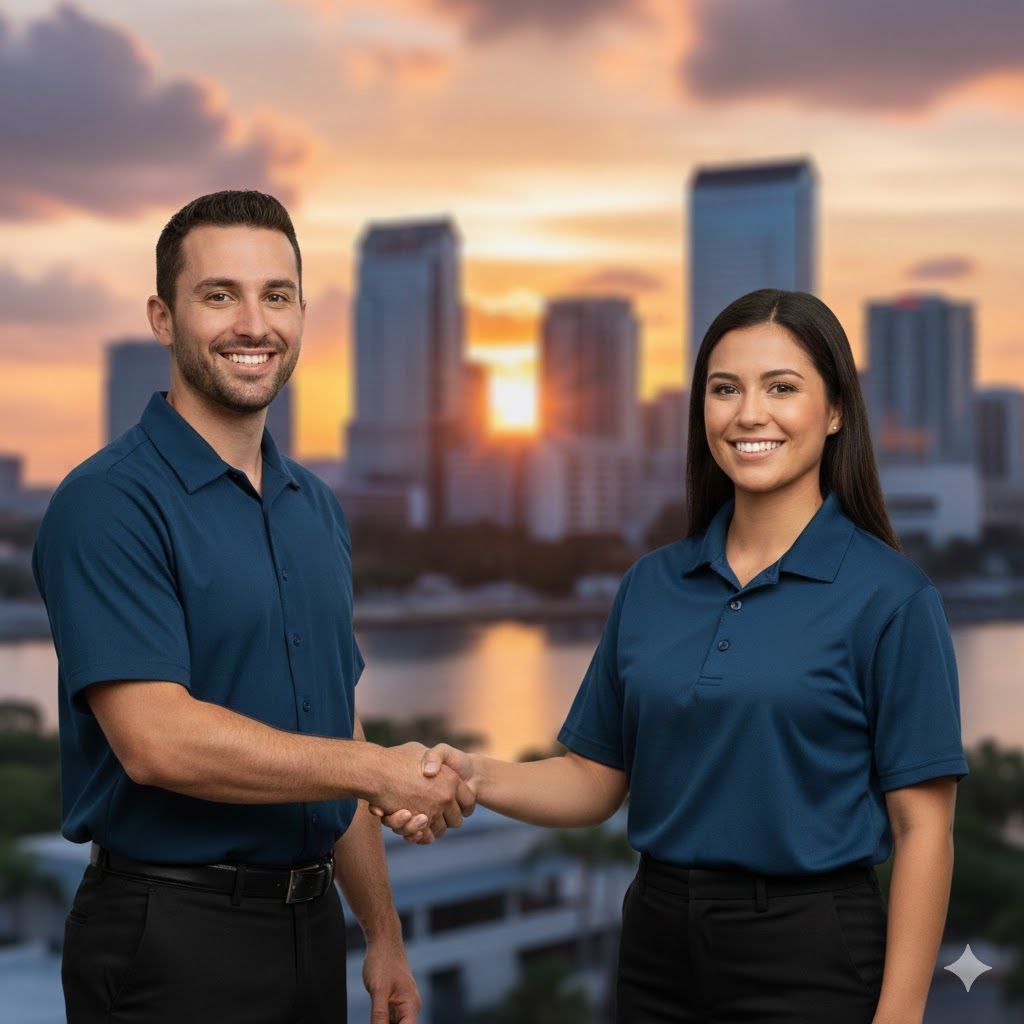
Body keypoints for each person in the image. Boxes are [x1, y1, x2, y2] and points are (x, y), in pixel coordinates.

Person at [377, 289, 969, 1023]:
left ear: (837, 410)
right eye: (725, 390)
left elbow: (923, 832)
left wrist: (901, 1015)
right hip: (656, 942)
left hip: (809, 950)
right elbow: (594, 780)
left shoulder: (892, 597)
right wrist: (471, 774)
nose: (749, 413)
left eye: (782, 387)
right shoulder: (652, 584)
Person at [32, 190, 474, 1024]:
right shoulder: (108, 503)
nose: (254, 324)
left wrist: (380, 931)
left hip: (310, 933)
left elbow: (329, 733)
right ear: (164, 318)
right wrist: (380, 770)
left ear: (304, 314)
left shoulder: (316, 507)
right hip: (169, 937)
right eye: (219, 295)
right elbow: (157, 742)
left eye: (277, 295)